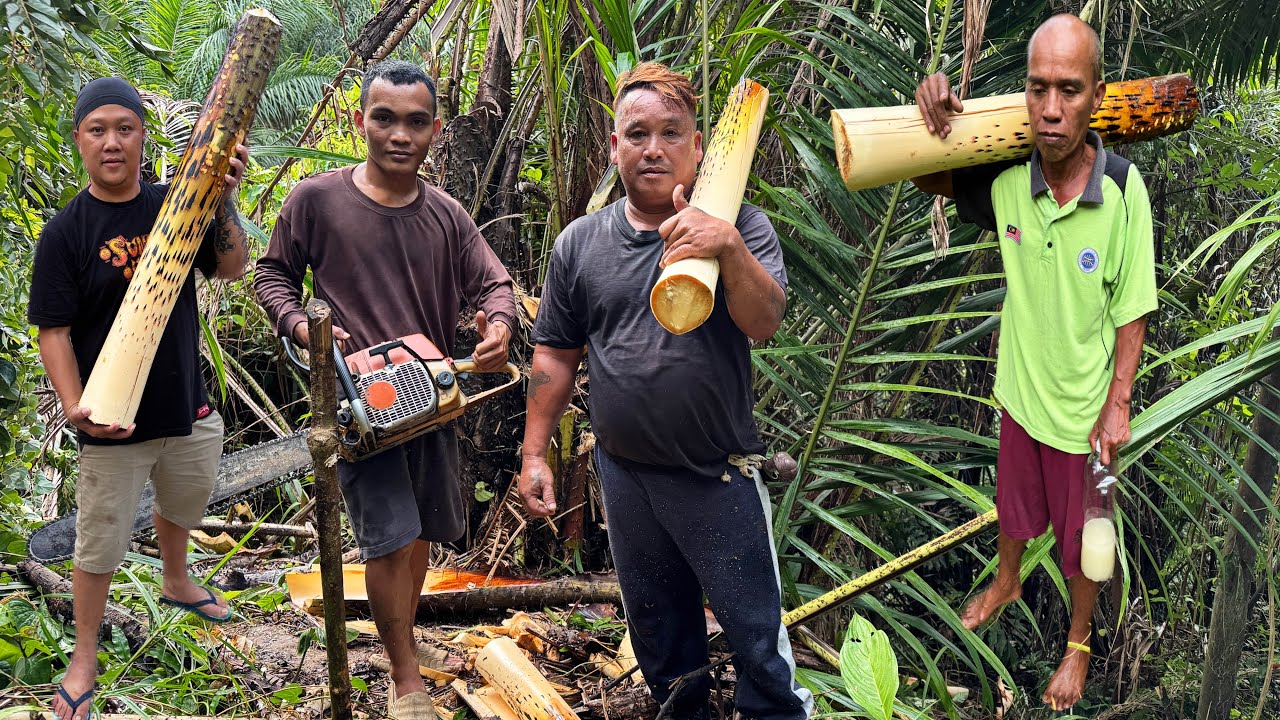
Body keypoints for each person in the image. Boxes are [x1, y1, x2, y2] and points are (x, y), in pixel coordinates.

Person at [517, 61, 813, 720]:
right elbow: (555, 356)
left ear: (698, 146)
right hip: (626, 478)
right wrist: (536, 453)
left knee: (758, 644)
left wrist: (727, 248)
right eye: (637, 133)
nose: (654, 148)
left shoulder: (742, 227)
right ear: (615, 144)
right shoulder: (581, 245)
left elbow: (763, 323)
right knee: (661, 643)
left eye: (671, 133)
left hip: (718, 478)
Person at [254, 59, 516, 720]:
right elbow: (273, 276)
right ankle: (405, 680)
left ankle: (401, 641)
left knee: (423, 531)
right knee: (388, 537)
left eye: (416, 122)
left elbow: (493, 283)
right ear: (359, 120)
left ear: (433, 132)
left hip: (431, 400)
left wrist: (500, 323)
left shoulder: (448, 217)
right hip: (357, 404)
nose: (400, 134)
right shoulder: (315, 200)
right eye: (385, 118)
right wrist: (301, 326)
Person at [911, 14, 1157, 711]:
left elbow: (1133, 304)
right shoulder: (1010, 184)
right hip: (1021, 395)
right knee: (1014, 511)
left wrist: (1119, 400)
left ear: (1097, 93)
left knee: (1087, 549)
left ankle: (1077, 643)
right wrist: (933, 112)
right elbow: (933, 178)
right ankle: (1009, 577)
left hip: (1087, 418)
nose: (1052, 109)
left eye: (1070, 90)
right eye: (1039, 88)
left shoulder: (1122, 192)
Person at [28, 77, 250, 720]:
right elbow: (55, 331)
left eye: (125, 128)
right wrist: (74, 407)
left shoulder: (175, 205)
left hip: (185, 404)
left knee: (186, 500)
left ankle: (176, 579)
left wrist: (224, 196)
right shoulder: (65, 233)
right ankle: (84, 658)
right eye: (97, 130)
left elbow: (232, 266)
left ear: (142, 136)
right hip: (110, 420)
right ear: (78, 140)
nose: (112, 142)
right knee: (99, 543)